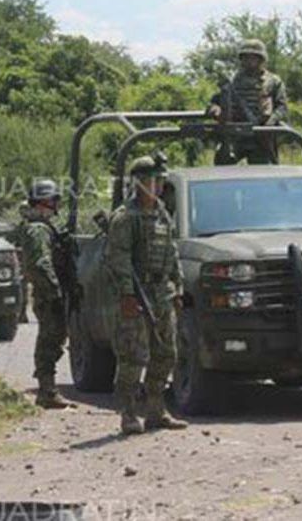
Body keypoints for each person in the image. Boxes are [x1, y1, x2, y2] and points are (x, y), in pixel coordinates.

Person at [104, 157, 189, 435]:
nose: (160, 185)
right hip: (137, 295)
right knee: (133, 357)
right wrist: (128, 295)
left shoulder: (162, 213)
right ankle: (128, 413)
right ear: (139, 183)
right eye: (154, 180)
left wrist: (177, 286)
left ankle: (156, 410)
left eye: (161, 180)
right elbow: (118, 259)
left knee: (166, 354)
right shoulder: (125, 218)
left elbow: (172, 252)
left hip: (162, 292)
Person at [9, 180, 75, 410]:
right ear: (45, 201)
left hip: (49, 293)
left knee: (54, 338)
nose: (56, 204)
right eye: (53, 200)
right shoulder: (38, 230)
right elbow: (40, 264)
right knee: (50, 339)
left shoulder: (42, 227)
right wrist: (54, 293)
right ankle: (46, 391)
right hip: (48, 295)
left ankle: (47, 390)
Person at [206, 39, 289, 165]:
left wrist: (270, 123)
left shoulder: (273, 81)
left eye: (253, 57)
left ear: (261, 59)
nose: (249, 61)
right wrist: (215, 110)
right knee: (222, 168)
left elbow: (282, 108)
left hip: (261, 136)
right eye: (246, 57)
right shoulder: (233, 81)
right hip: (236, 135)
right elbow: (214, 102)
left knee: (262, 174)